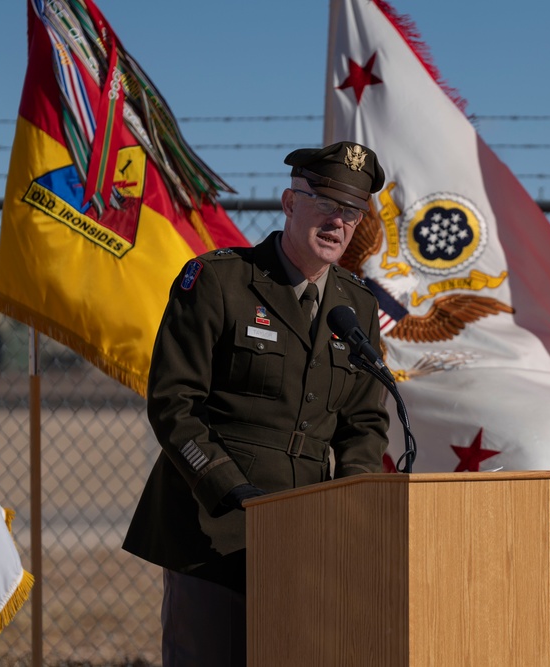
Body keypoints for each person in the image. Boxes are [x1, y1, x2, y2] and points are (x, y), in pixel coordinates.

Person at [122, 141, 391, 667]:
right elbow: (175, 403)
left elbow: (363, 421)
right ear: (290, 204)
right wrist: (230, 489)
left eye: (353, 211)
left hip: (307, 531)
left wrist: (350, 495)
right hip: (212, 525)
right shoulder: (219, 281)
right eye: (327, 203)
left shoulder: (356, 306)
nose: (339, 221)